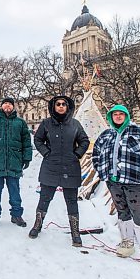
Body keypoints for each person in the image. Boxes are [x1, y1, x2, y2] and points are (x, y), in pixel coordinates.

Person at [92, 105, 140, 274]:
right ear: (110, 117)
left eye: (121, 114)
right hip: (114, 181)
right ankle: (127, 243)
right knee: (122, 212)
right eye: (114, 114)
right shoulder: (106, 135)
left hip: (135, 181)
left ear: (126, 116)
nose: (117, 116)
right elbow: (96, 153)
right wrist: (102, 171)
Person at [30, 95, 89, 246]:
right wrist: (46, 153)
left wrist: (77, 154)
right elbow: (37, 139)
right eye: (58, 104)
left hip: (70, 167)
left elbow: (84, 141)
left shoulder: (75, 124)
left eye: (64, 104)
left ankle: (75, 232)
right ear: (54, 107)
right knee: (44, 198)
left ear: (68, 107)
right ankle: (37, 225)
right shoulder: (46, 123)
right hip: (50, 166)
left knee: (71, 201)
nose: (61, 106)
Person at [0, 97, 33, 228]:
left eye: (10, 104)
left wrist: (27, 157)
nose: (7, 106)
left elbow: (26, 141)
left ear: (13, 107)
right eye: (5, 104)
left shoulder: (20, 122)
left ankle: (16, 215)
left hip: (14, 162)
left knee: (15, 191)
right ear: (1, 106)